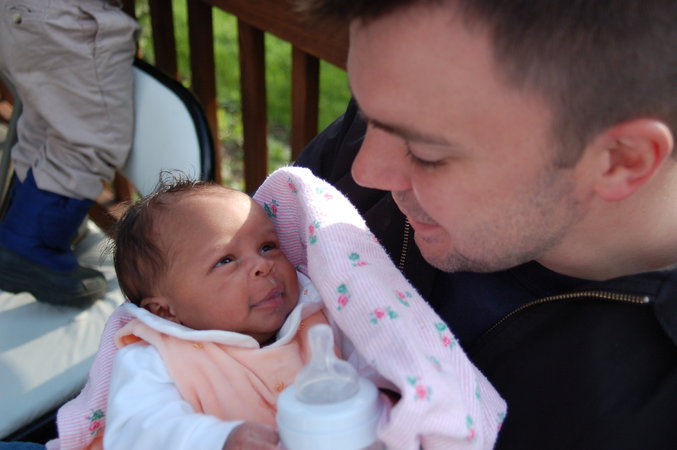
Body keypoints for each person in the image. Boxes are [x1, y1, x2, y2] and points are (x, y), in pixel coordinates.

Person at [292, 0, 677, 449]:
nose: (364, 172)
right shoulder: (409, 112)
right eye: (364, 111)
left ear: (619, 160)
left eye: (426, 154)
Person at [0, 0, 139, 307]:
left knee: (45, 121)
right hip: (67, 19)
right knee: (89, 138)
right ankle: (30, 247)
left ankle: (22, 228)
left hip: (28, 13)